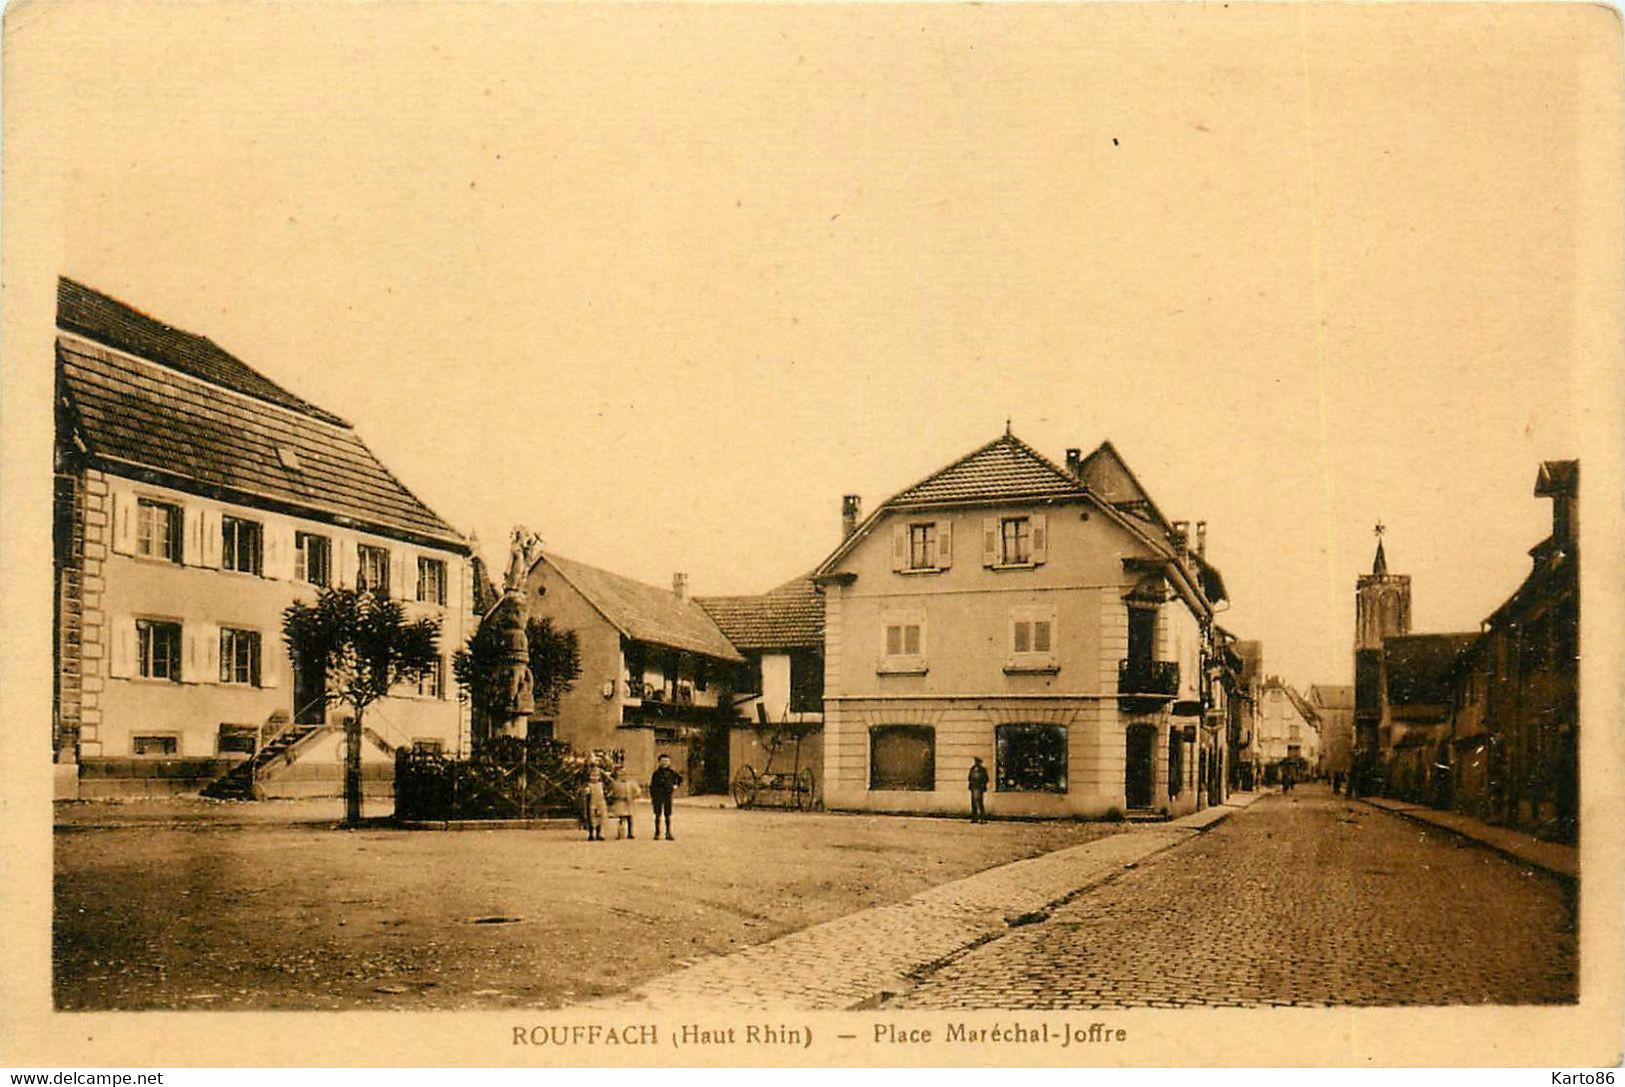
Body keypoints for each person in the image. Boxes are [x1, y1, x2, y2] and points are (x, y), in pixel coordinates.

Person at [649, 753, 682, 841]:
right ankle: (657, 833)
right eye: (662, 761)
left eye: (666, 761)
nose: (664, 763)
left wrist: (675, 785)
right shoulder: (656, 773)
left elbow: (680, 779)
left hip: (667, 795)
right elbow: (652, 786)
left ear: (669, 762)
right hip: (658, 796)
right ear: (659, 762)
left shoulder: (672, 773)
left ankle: (668, 833)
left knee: (667, 815)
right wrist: (652, 797)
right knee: (657, 815)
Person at [609, 766, 640, 839]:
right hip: (620, 802)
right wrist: (614, 797)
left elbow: (637, 791)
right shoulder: (615, 783)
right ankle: (620, 833)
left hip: (629, 802)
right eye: (620, 774)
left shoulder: (631, 783)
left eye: (624, 774)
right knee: (620, 818)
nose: (623, 776)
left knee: (629, 818)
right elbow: (612, 792)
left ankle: (630, 833)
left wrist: (634, 796)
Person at [583, 765, 609, 841]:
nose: (594, 778)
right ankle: (591, 834)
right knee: (592, 819)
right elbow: (587, 796)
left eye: (596, 776)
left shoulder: (601, 785)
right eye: (592, 776)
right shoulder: (588, 785)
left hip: (600, 803)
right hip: (592, 803)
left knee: (600, 818)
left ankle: (599, 833)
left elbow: (605, 793)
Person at [967, 756, 990, 823]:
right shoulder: (972, 769)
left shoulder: (983, 770)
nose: (976, 763)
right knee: (973, 803)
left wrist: (982, 784)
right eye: (975, 762)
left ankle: (983, 818)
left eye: (977, 762)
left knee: (980, 803)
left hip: (980, 788)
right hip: (973, 788)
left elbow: (986, 779)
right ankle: (974, 818)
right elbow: (969, 778)